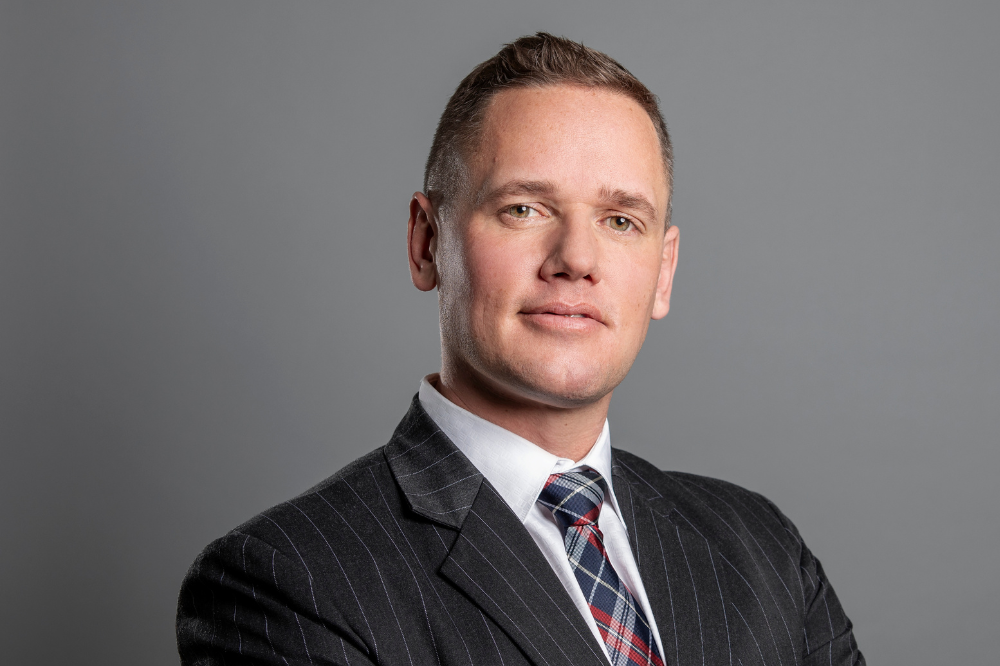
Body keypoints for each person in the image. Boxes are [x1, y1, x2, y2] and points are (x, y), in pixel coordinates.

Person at [177, 33, 864, 666]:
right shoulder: (291, 581)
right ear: (426, 243)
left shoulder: (763, 551)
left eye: (620, 220)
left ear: (663, 271)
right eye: (524, 209)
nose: (576, 260)